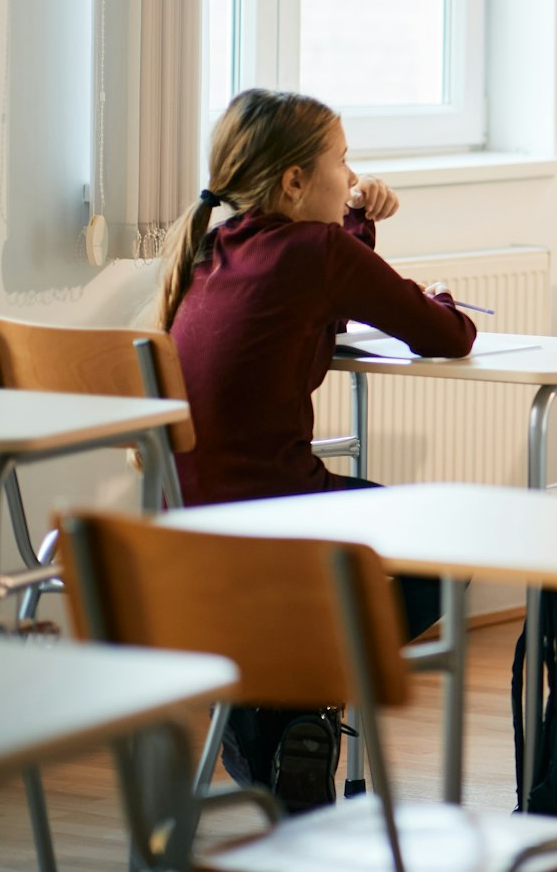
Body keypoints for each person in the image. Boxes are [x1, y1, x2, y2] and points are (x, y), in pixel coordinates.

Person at [157, 87, 475, 806]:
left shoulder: (211, 247)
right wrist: (445, 297)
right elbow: (444, 335)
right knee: (456, 549)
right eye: (343, 159)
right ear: (295, 181)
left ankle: (271, 707)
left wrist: (356, 220)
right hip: (281, 508)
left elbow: (322, 288)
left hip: (190, 522)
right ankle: (301, 695)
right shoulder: (317, 250)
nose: (352, 171)